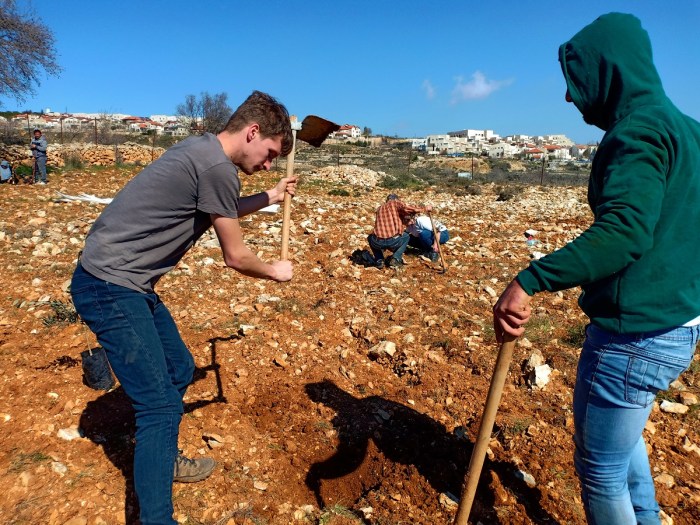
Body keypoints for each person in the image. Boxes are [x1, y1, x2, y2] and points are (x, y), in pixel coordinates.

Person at [493, 13, 700, 525]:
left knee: (601, 471)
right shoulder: (688, 130)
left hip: (634, 335)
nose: (568, 98)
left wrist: (529, 279)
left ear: (607, 72)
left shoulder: (639, 133)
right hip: (679, 324)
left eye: (574, 80)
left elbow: (626, 230)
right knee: (624, 453)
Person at [70, 90, 296, 525]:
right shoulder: (216, 168)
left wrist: (269, 195)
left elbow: (219, 208)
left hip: (125, 281)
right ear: (252, 132)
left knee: (178, 367)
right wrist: (274, 271)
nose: (268, 164)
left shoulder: (202, 150)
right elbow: (236, 257)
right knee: (159, 406)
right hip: (110, 285)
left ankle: (162, 458)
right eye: (269, 153)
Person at [367, 193, 431, 268]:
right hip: (392, 241)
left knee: (370, 237)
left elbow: (394, 218)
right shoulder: (395, 203)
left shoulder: (379, 208)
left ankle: (379, 260)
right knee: (406, 236)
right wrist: (424, 208)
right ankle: (396, 258)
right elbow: (408, 208)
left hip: (377, 242)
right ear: (396, 199)